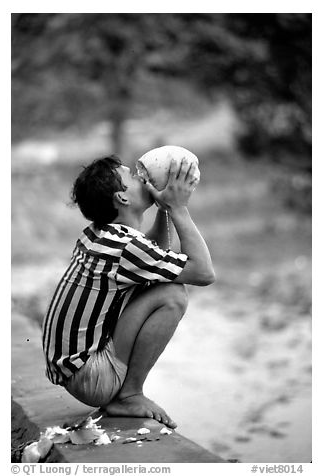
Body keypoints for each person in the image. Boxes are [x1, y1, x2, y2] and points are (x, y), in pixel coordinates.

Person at [42, 154, 215, 429]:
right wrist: (180, 209)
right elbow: (204, 273)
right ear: (122, 198)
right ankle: (129, 394)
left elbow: (152, 262)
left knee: (161, 284)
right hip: (91, 377)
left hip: (73, 371)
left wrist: (165, 209)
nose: (141, 176)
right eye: (132, 176)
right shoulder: (123, 247)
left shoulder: (100, 234)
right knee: (173, 296)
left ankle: (124, 392)